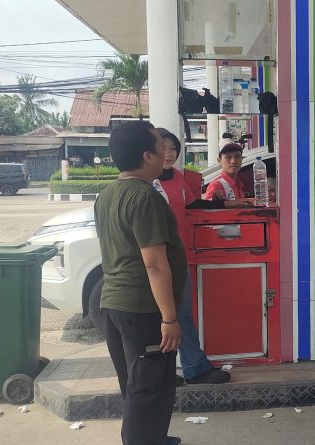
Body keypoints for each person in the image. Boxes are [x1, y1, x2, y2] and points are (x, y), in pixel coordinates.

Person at [94, 121, 184, 445]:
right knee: (149, 387)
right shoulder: (145, 197)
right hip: (143, 309)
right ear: (147, 156)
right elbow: (154, 263)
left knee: (137, 384)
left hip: (114, 305)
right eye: (160, 146)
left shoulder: (106, 195)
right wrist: (169, 319)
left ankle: (153, 438)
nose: (165, 152)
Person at [154, 129, 232, 385]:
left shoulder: (177, 177)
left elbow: (192, 203)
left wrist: (225, 205)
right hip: (157, 258)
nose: (168, 154)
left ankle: (191, 368)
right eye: (163, 148)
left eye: (173, 149)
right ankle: (170, 371)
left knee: (182, 313)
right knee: (162, 317)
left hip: (179, 255)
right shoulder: (148, 183)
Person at [204, 142, 250, 206]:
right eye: (228, 157)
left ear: (242, 159)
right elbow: (208, 208)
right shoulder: (216, 185)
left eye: (237, 157)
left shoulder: (239, 184)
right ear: (219, 160)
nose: (233, 161)